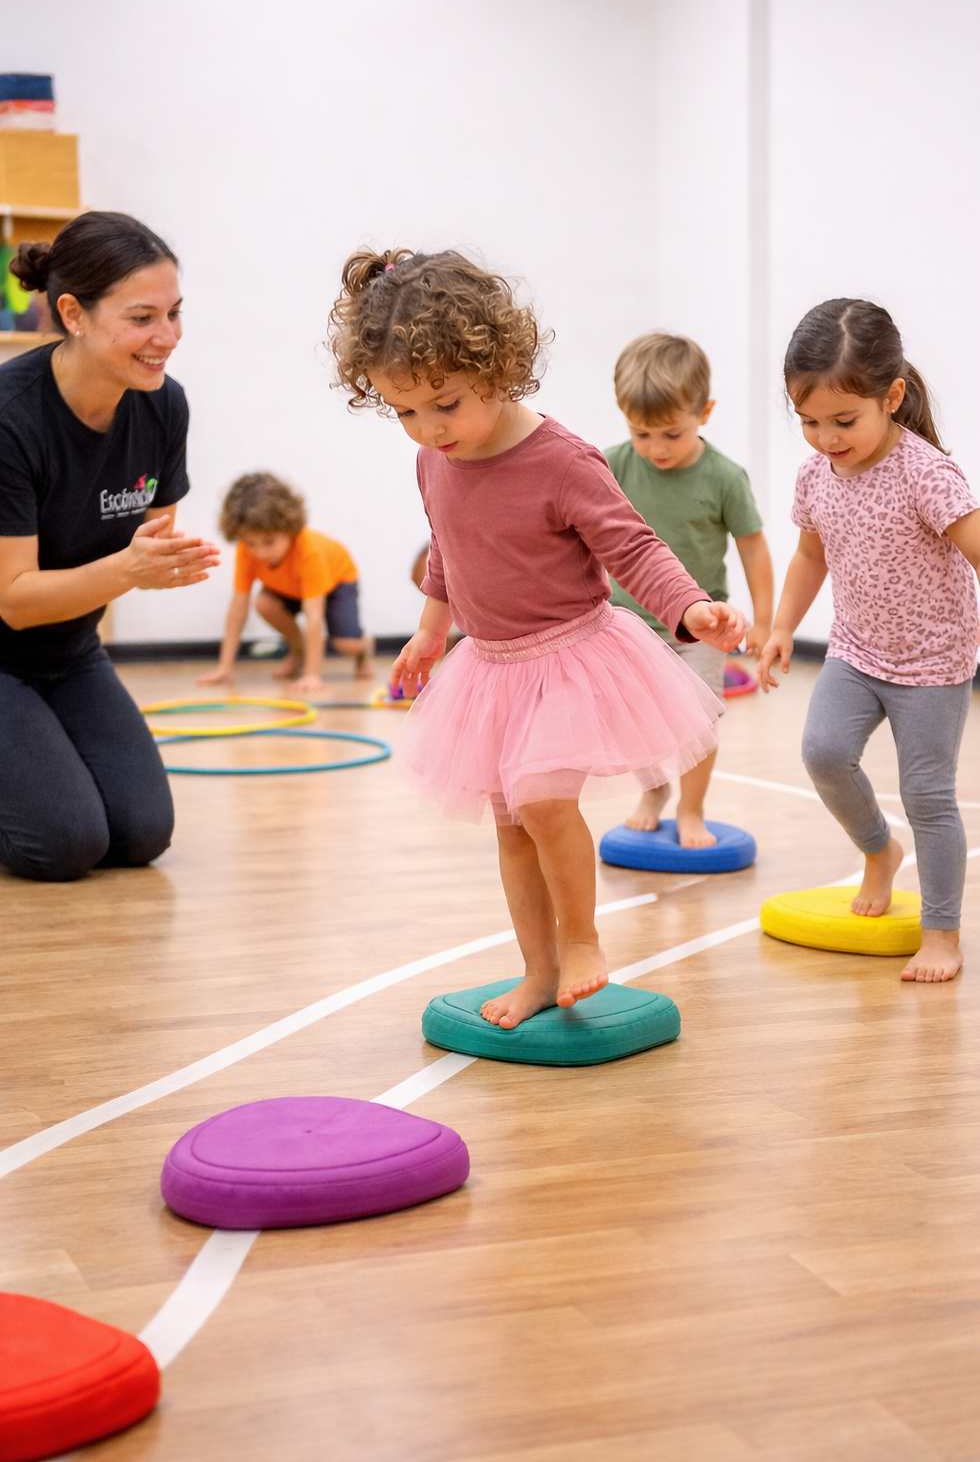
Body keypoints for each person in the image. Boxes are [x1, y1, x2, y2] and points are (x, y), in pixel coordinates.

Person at [330, 247, 745, 1028]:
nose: (427, 428)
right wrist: (429, 632)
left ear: (498, 367)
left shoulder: (563, 461)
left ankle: (584, 943)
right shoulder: (435, 460)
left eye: (445, 403)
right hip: (490, 670)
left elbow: (634, 548)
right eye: (406, 411)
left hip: (572, 657)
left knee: (542, 799)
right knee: (512, 825)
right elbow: (447, 548)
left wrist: (691, 610)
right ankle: (537, 969)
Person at [758, 298, 980, 983]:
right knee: (823, 752)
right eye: (809, 422)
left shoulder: (926, 475)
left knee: (928, 795)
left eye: (843, 421)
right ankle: (879, 852)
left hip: (934, 662)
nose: (826, 438)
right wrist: (781, 629)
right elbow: (809, 558)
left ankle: (942, 932)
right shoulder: (815, 475)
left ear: (892, 396)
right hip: (856, 651)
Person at [0, 211, 220, 882]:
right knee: (64, 845)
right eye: (143, 318)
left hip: (72, 653)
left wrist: (151, 567)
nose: (168, 338)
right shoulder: (12, 420)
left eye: (175, 313)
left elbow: (148, 548)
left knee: (141, 833)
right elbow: (14, 602)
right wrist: (131, 568)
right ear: (72, 313)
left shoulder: (163, 406)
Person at [605, 331, 773, 846]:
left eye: (671, 435)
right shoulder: (610, 466)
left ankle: (692, 808)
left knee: (698, 724)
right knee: (635, 724)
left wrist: (764, 621)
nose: (656, 449)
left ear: (705, 412)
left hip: (699, 629)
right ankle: (652, 790)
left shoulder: (723, 477)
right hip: (627, 627)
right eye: (641, 433)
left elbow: (753, 547)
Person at [197, 472, 373, 693]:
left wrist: (312, 676)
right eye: (251, 543)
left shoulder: (308, 552)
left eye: (269, 542)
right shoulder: (247, 552)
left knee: (348, 646)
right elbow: (238, 606)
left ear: (289, 529)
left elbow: (314, 615)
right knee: (264, 604)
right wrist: (224, 666)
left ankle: (365, 646)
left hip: (337, 579)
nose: (260, 552)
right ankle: (297, 651)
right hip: (291, 587)